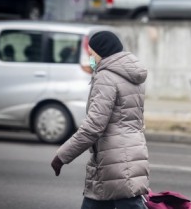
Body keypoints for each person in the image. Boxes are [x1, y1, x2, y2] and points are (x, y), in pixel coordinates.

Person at [51, 31, 149, 209]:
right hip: (129, 153)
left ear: (102, 52)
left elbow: (94, 126)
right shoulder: (132, 74)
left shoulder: (106, 77)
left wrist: (62, 155)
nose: (90, 57)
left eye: (91, 53)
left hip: (115, 159)